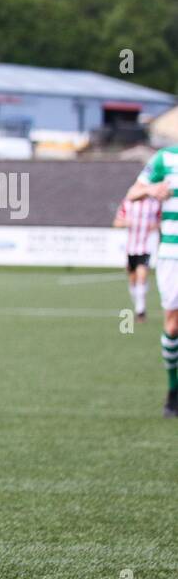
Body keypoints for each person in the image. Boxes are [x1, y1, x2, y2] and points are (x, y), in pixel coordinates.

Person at [125, 146, 178, 416]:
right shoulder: (164, 158)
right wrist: (151, 189)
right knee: (173, 325)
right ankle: (173, 389)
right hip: (172, 254)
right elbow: (133, 193)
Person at [113, 195, 160, 321]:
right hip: (130, 248)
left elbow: (161, 221)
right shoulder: (127, 202)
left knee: (142, 275)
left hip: (145, 247)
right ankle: (138, 304)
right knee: (133, 279)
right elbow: (116, 222)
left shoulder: (154, 204)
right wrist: (125, 222)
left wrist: (155, 225)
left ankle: (141, 310)